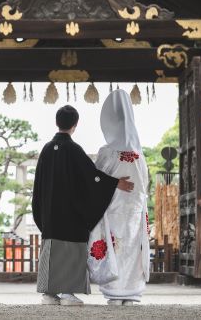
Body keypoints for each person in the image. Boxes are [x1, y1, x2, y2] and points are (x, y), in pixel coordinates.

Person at [32, 105, 134, 306]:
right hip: (70, 214)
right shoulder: (73, 149)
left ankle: (49, 295)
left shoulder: (46, 149)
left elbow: (38, 184)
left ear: (56, 122)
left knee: (51, 249)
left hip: (51, 213)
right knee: (71, 250)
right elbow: (92, 177)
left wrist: (41, 210)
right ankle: (68, 294)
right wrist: (115, 183)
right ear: (75, 125)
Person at [88, 90, 150, 306]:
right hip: (134, 209)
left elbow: (94, 179)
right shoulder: (139, 154)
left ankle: (115, 292)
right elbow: (145, 183)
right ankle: (131, 292)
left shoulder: (106, 152)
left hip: (111, 207)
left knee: (115, 247)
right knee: (132, 249)